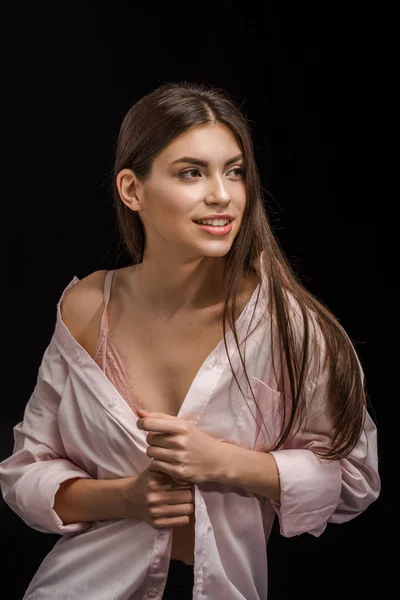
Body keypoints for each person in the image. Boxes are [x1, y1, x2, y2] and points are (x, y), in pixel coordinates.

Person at [0, 81, 380, 600]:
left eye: (235, 171)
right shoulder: (87, 308)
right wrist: (126, 498)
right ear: (132, 190)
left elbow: (355, 478)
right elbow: (25, 471)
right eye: (191, 172)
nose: (222, 195)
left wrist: (229, 464)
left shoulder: (288, 324)